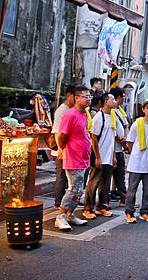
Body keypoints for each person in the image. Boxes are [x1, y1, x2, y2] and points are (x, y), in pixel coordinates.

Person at [55, 86, 92, 231]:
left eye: (90, 96)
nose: (89, 99)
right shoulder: (70, 115)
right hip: (73, 157)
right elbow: (61, 136)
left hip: (83, 158)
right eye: (85, 96)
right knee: (73, 189)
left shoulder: (85, 114)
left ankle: (70, 214)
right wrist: (63, 149)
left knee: (78, 190)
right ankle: (61, 216)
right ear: (77, 98)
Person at [83, 93, 124, 220]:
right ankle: (88, 208)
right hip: (99, 155)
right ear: (106, 102)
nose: (114, 101)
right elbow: (94, 139)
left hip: (109, 156)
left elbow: (112, 139)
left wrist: (113, 156)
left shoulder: (112, 117)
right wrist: (97, 157)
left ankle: (102, 206)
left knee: (105, 184)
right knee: (93, 182)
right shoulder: (98, 118)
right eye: (112, 99)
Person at [124, 99, 148, 223]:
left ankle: (145, 211)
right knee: (132, 189)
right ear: (143, 109)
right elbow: (129, 142)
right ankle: (129, 212)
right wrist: (135, 154)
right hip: (137, 162)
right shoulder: (137, 123)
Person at [51, 84, 75, 210]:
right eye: (75, 97)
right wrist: (61, 149)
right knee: (61, 177)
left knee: (67, 177)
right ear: (69, 95)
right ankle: (58, 202)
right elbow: (57, 132)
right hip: (62, 150)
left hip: (69, 150)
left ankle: (65, 202)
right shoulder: (62, 110)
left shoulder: (72, 110)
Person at [110, 87, 129, 201]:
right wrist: (122, 142)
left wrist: (125, 139)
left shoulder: (120, 110)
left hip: (119, 149)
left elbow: (125, 125)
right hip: (113, 149)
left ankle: (123, 198)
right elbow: (112, 131)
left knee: (120, 174)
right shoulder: (110, 112)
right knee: (106, 177)